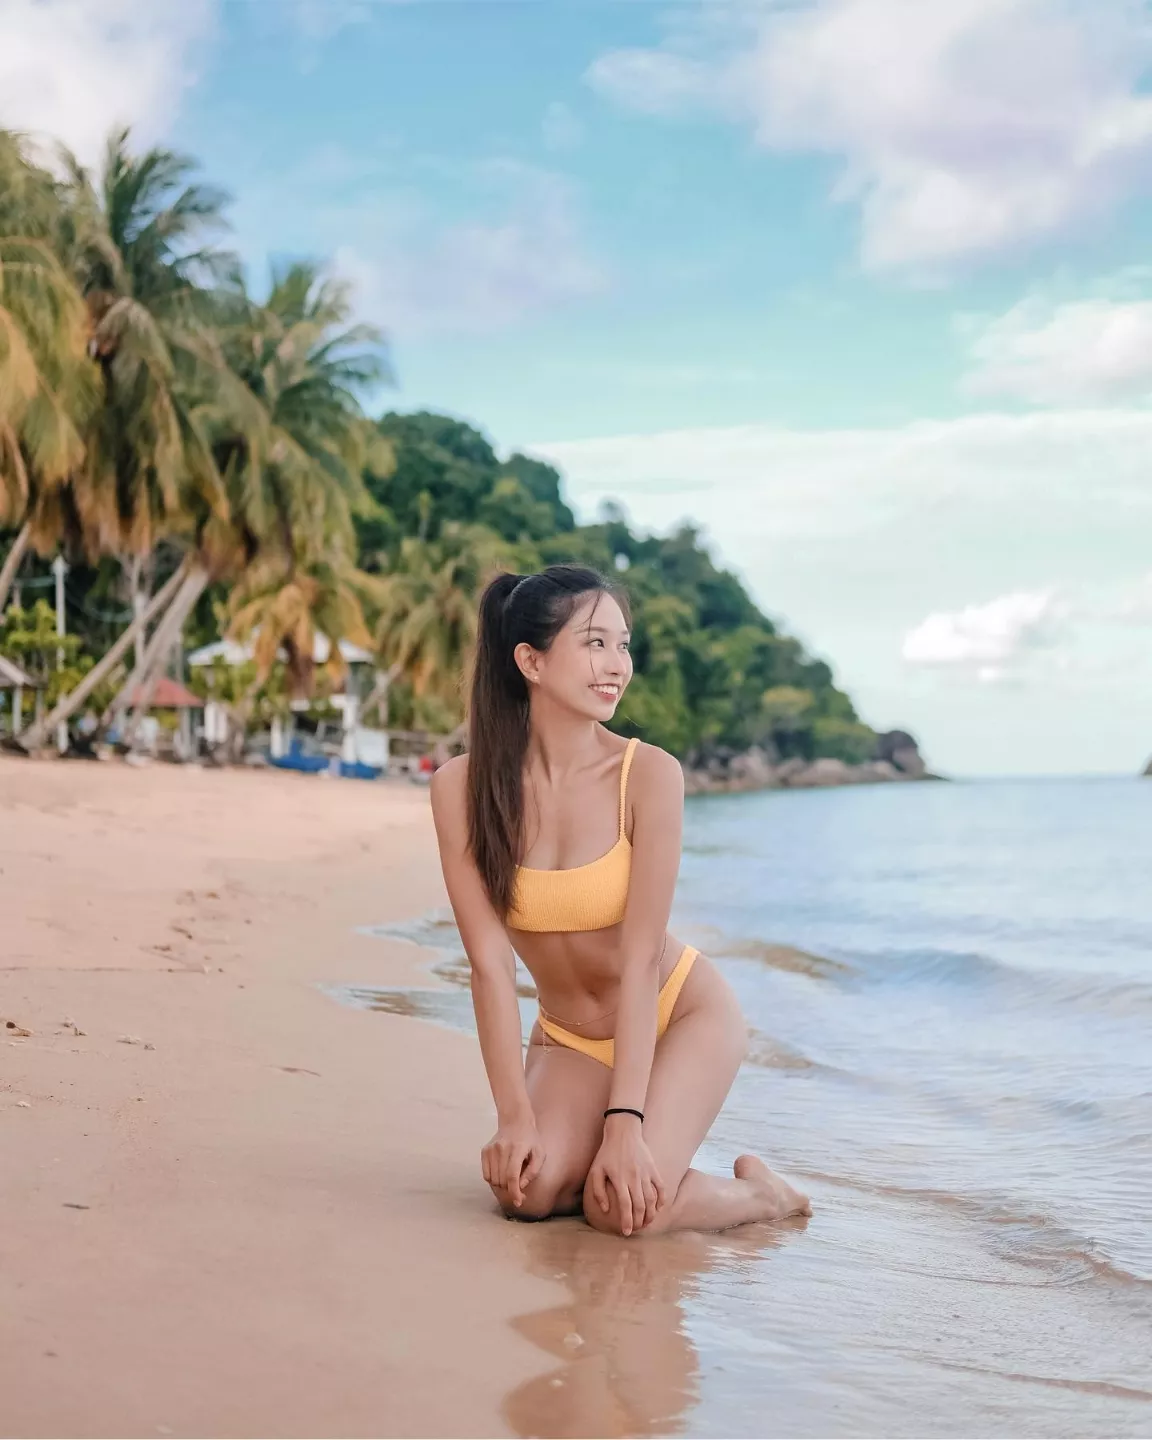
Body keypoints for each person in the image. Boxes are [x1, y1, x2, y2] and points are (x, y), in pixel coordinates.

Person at [430, 565, 811, 1238]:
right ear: (531, 660)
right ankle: (591, 1160)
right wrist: (513, 1116)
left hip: (678, 1017)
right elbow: (490, 967)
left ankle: (764, 1198)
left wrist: (624, 1125)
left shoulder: (650, 775)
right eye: (594, 643)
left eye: (623, 644)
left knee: (623, 1211)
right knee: (526, 1191)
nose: (617, 666)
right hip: (570, 1037)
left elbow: (640, 964)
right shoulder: (462, 789)